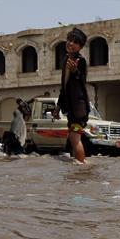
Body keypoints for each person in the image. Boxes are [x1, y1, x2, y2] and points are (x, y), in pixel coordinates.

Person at [53, 27, 90, 164]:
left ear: (80, 46)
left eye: (75, 42)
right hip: (71, 108)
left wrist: (75, 72)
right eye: (69, 40)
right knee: (73, 140)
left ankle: (81, 170)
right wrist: (58, 107)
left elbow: (82, 81)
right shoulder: (65, 60)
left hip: (79, 108)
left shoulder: (81, 61)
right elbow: (64, 87)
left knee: (75, 139)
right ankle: (80, 168)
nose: (71, 43)